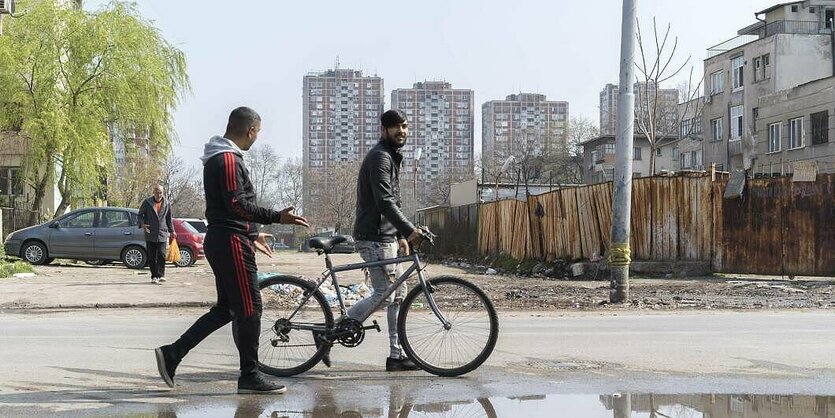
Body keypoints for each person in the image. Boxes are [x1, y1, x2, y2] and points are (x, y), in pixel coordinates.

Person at [154, 106, 310, 394]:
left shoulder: (223, 157)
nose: (256, 140)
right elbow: (236, 205)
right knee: (251, 308)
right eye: (257, 133)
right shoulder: (226, 159)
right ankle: (249, 375)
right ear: (250, 130)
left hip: (230, 239)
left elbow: (229, 209)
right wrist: (277, 217)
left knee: (228, 309)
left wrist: (252, 232)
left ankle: (172, 354)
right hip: (230, 243)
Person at [327, 109, 424, 371]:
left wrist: (399, 235)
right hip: (373, 237)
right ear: (383, 130)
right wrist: (408, 230)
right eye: (395, 127)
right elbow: (384, 201)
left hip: (386, 236)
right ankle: (334, 330)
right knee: (384, 294)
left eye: (404, 126)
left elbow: (392, 200)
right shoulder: (380, 158)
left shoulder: (392, 156)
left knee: (399, 293)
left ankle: (396, 355)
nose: (401, 131)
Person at [138, 184, 175, 285]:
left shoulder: (167, 203)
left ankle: (161, 275)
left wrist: (172, 231)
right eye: (157, 192)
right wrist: (142, 224)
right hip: (150, 233)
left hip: (162, 233)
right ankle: (154, 276)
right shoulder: (147, 202)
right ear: (153, 192)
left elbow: (169, 219)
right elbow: (140, 214)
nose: (159, 194)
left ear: (163, 193)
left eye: (160, 192)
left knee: (162, 255)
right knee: (151, 256)